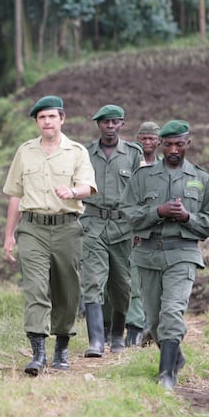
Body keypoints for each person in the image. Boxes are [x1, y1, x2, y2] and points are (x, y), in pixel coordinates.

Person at [120, 120, 209, 390]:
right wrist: (158, 212)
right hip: (148, 254)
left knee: (172, 312)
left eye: (179, 144)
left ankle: (166, 374)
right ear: (161, 144)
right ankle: (175, 356)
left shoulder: (201, 179)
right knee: (153, 320)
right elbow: (128, 214)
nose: (174, 149)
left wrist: (188, 217)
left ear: (188, 143)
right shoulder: (143, 177)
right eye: (169, 144)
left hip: (183, 253)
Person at [3, 96, 97, 375]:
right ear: (36, 122)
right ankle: (38, 352)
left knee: (67, 289)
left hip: (67, 228)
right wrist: (9, 235)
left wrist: (73, 192)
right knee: (35, 288)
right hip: (32, 229)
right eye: (42, 117)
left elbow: (88, 186)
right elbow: (15, 195)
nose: (47, 122)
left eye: (52, 117)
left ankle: (62, 346)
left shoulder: (77, 152)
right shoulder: (25, 152)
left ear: (62, 119)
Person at [80, 104, 143, 357]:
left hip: (123, 227)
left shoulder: (132, 154)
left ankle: (117, 335)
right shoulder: (84, 153)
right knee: (93, 282)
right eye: (105, 122)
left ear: (121, 124)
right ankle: (96, 341)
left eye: (114, 122)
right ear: (98, 125)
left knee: (121, 286)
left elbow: (142, 192)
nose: (109, 126)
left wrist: (142, 226)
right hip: (92, 224)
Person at [125, 121, 163, 347]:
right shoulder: (130, 164)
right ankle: (132, 328)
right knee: (127, 281)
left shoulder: (163, 168)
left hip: (152, 232)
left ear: (159, 142)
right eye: (143, 138)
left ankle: (144, 327)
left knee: (149, 283)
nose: (147, 143)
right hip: (125, 228)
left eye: (152, 139)